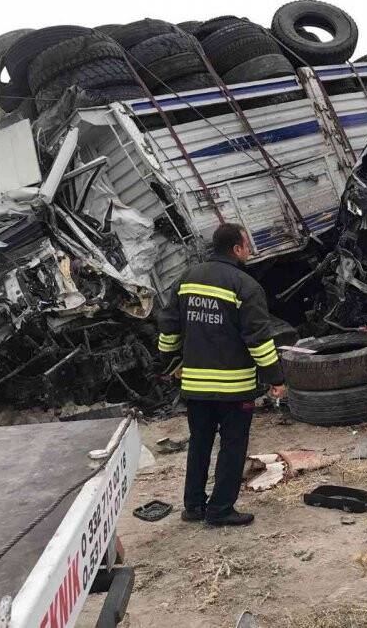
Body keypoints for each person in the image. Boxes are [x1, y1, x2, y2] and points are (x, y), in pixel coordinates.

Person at [156, 222, 285, 527]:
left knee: (200, 443)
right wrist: (276, 378)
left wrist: (171, 364)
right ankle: (221, 509)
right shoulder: (246, 286)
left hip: (195, 386)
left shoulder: (186, 280)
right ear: (237, 248)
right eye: (247, 244)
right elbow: (258, 340)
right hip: (233, 388)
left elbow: (169, 328)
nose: (249, 250)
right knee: (232, 446)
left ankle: (194, 506)